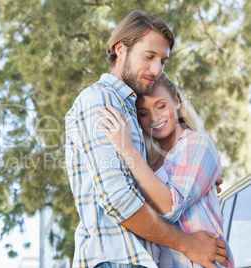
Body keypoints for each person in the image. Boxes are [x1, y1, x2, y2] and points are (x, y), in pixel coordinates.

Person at [65, 10, 229, 268]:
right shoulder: (101, 100)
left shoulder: (131, 106)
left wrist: (203, 180)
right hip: (116, 259)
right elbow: (118, 198)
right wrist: (187, 244)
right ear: (121, 50)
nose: (156, 69)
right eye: (149, 56)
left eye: (163, 61)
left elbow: (150, 187)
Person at [96, 72, 234, 267]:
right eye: (143, 113)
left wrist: (126, 148)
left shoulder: (197, 143)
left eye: (161, 105)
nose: (154, 118)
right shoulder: (149, 166)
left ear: (176, 101)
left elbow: (170, 207)